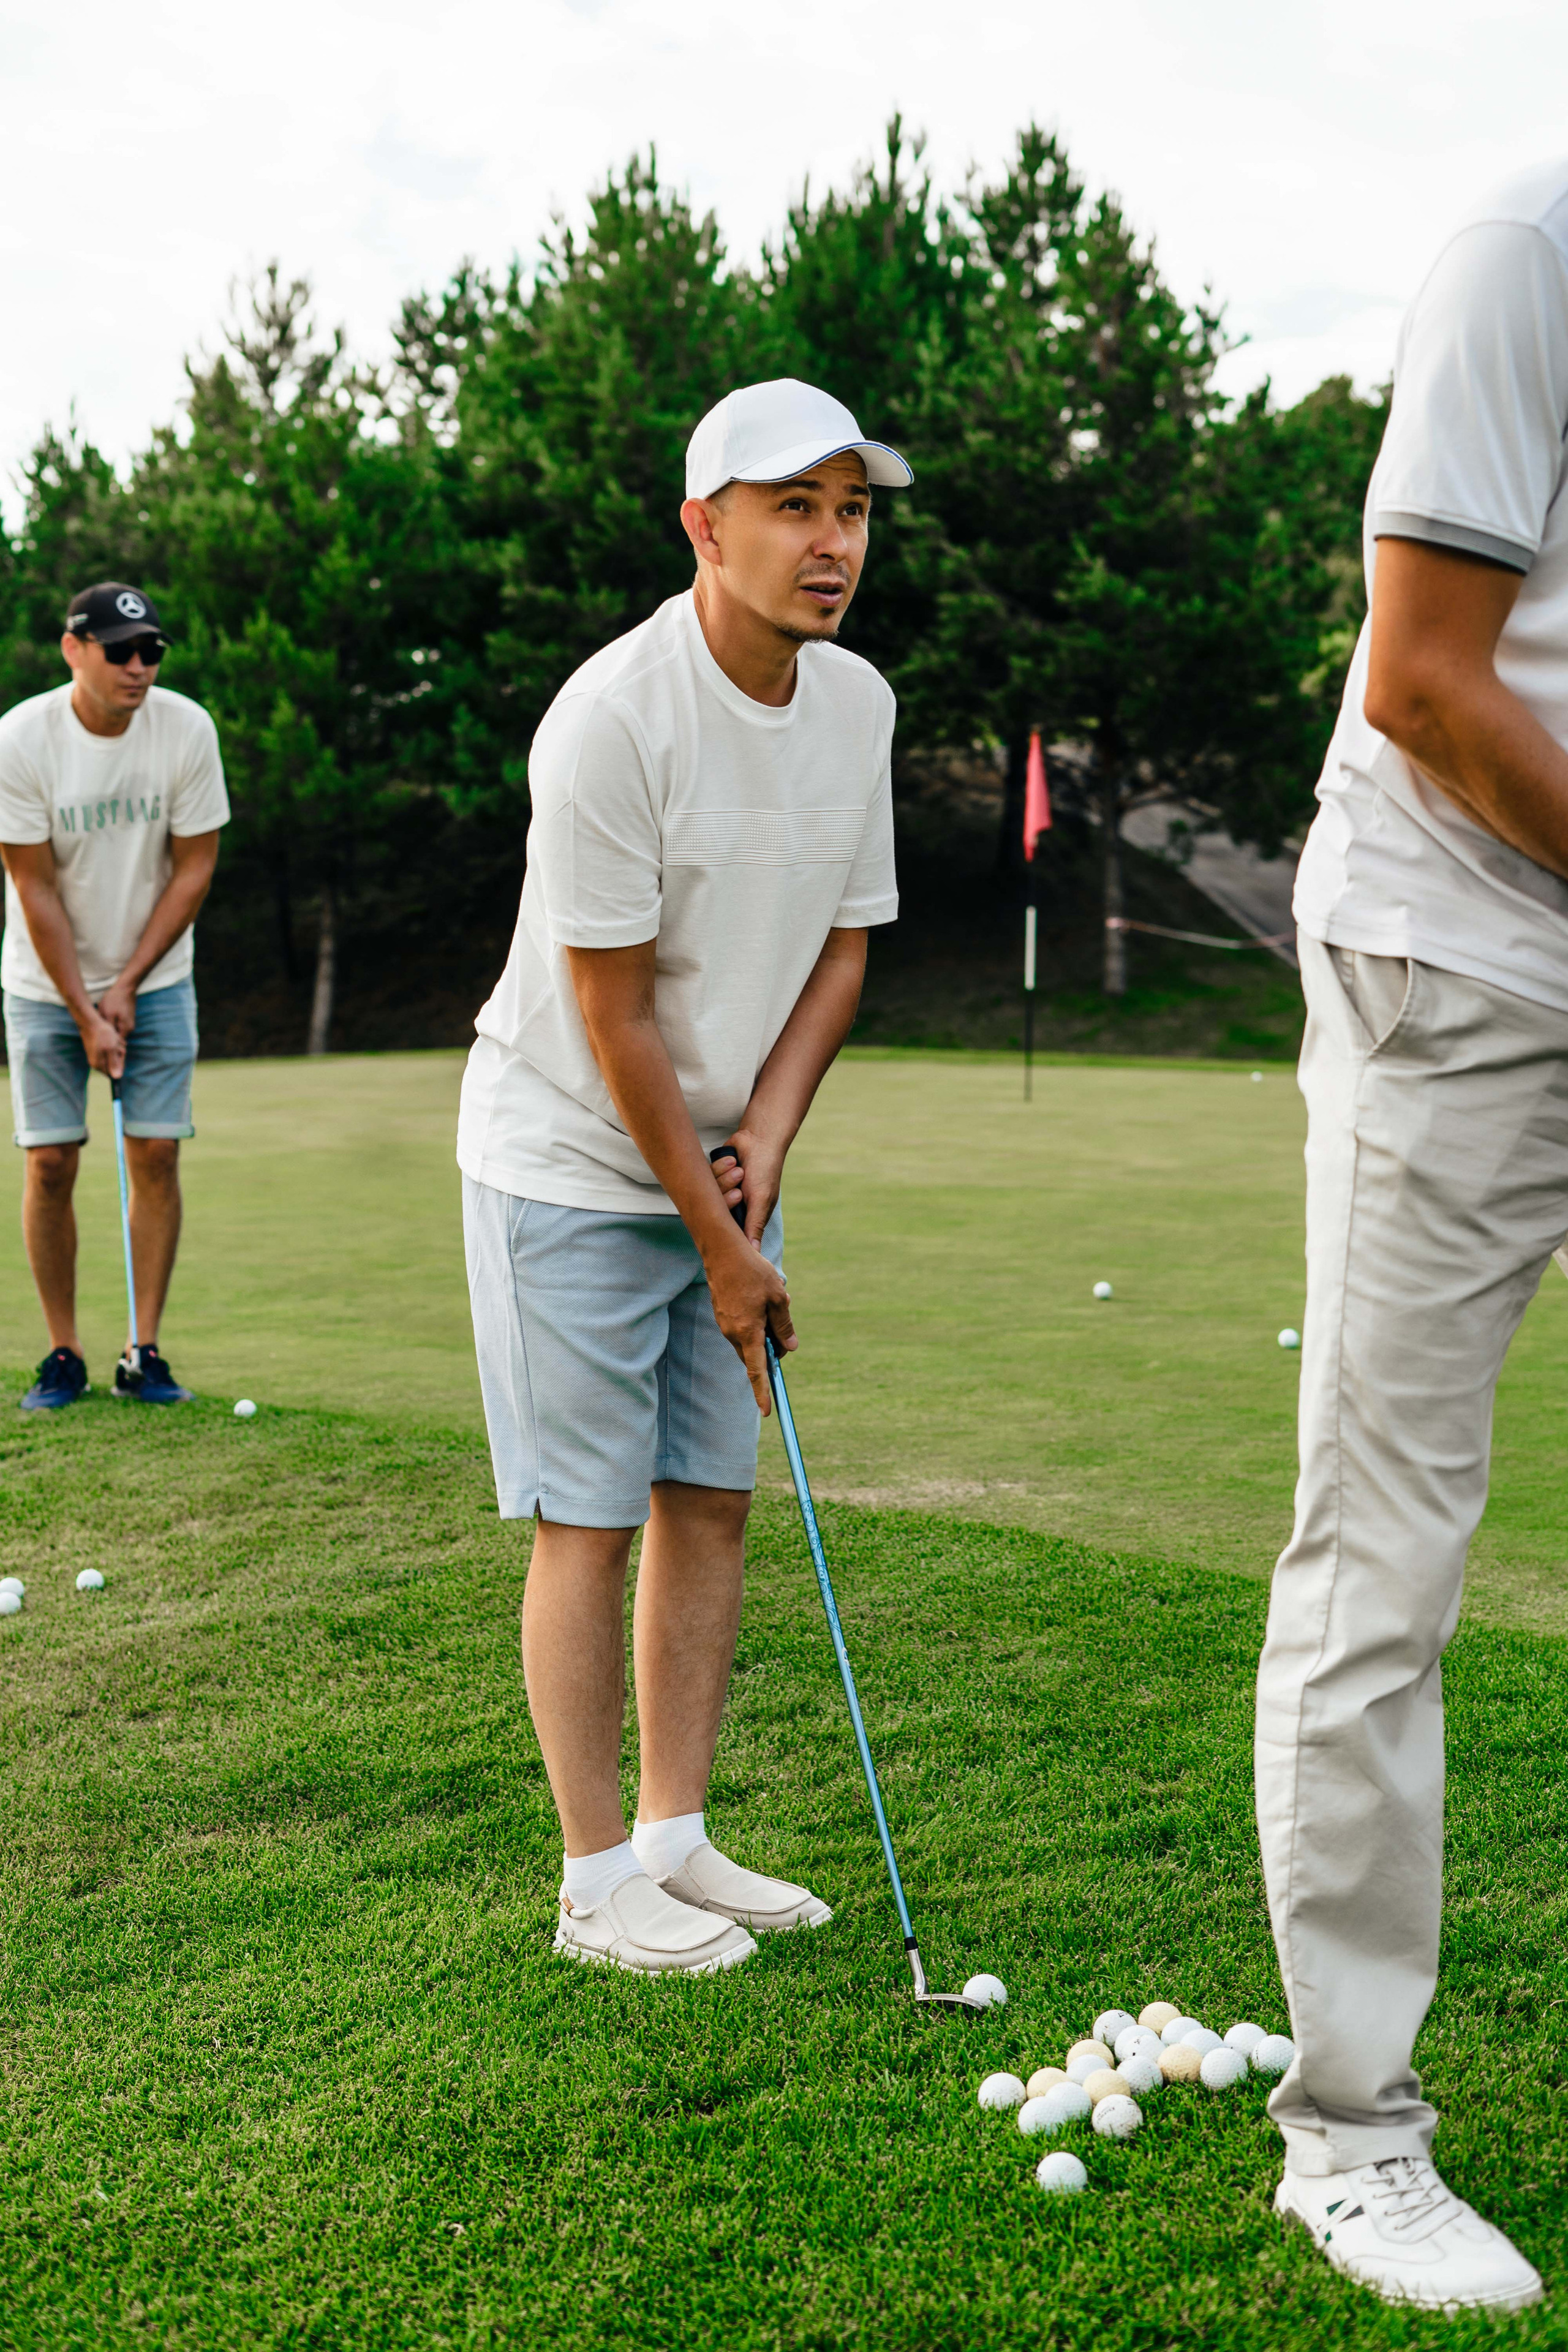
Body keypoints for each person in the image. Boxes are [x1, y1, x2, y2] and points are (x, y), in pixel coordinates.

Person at [458, 379, 909, 1975]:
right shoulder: (611, 717)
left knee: (710, 1501)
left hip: (724, 1154)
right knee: (587, 1517)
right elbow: (611, 1006)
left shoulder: (858, 707)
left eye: (851, 509)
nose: (831, 541)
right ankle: (595, 1883)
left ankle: (675, 1837)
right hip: (568, 1155)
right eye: (794, 507)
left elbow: (846, 950)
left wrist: (764, 1155)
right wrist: (725, 1239)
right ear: (703, 526)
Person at [1254, 161, 1568, 2314]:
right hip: (1450, 970)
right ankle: (1349, 2133)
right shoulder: (1529, 250)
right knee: (1387, 1554)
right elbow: (1427, 680)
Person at [0, 582, 228, 1410]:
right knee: (53, 1159)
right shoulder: (21, 740)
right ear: (74, 649)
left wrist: (128, 985)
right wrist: (86, 1010)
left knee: (156, 1154)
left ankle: (145, 1351)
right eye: (120, 651)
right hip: (42, 980)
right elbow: (34, 890)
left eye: (151, 651)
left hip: (157, 975)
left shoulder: (186, 728)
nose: (140, 667)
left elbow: (194, 866)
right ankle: (63, 1352)